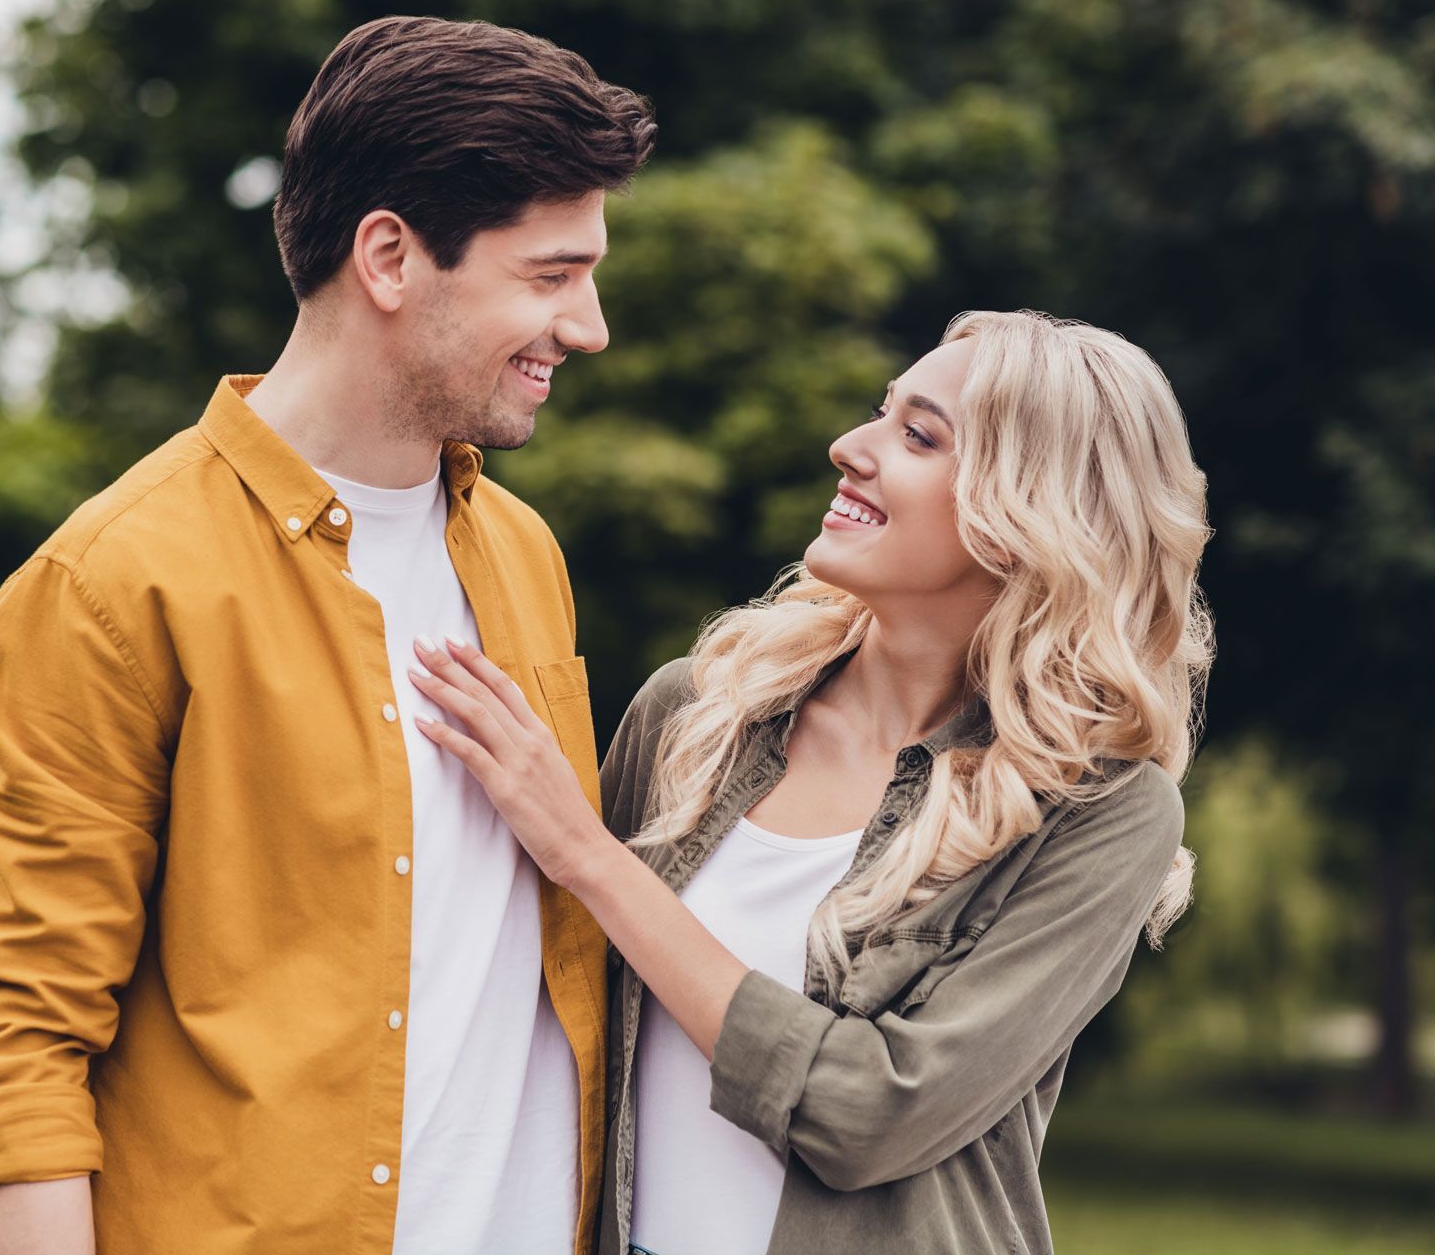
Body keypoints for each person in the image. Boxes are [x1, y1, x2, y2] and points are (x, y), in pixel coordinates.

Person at [0, 15, 656, 1255]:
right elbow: (23, 1045)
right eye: (548, 276)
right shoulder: (117, 581)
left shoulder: (525, 555)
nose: (587, 326)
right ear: (389, 255)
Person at [404, 309, 1215, 1255]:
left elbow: (873, 1114)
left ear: (1033, 513)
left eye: (917, 436)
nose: (850, 447)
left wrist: (588, 855)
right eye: (880, 414)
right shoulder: (698, 713)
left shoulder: (1100, 810)